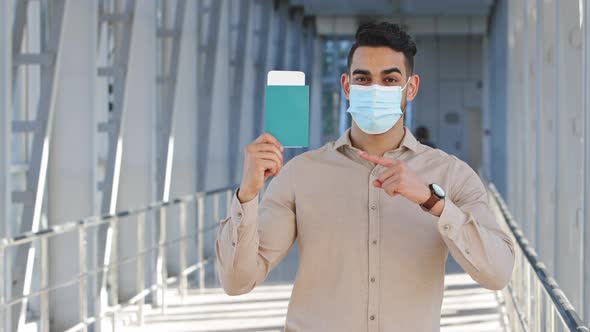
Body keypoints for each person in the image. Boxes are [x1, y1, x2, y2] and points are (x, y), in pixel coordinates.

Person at [216, 22, 514, 332]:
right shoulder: (301, 174)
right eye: (363, 79)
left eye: (389, 79)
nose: (375, 89)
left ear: (410, 88)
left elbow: (498, 274)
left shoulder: (452, 175)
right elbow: (238, 281)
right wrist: (247, 195)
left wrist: (433, 201)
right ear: (346, 86)